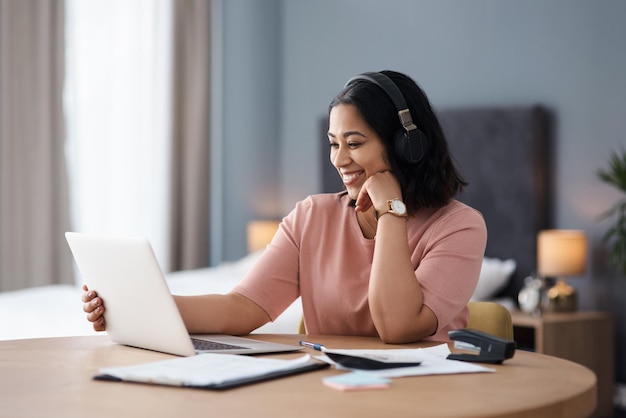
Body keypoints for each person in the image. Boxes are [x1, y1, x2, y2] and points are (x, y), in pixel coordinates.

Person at [82, 70, 487, 344]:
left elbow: (398, 326)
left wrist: (390, 211)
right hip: (330, 393)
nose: (339, 159)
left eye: (355, 143)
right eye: (333, 143)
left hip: (426, 399)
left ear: (406, 144)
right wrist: (141, 307)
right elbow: (240, 309)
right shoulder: (312, 217)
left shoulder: (459, 227)